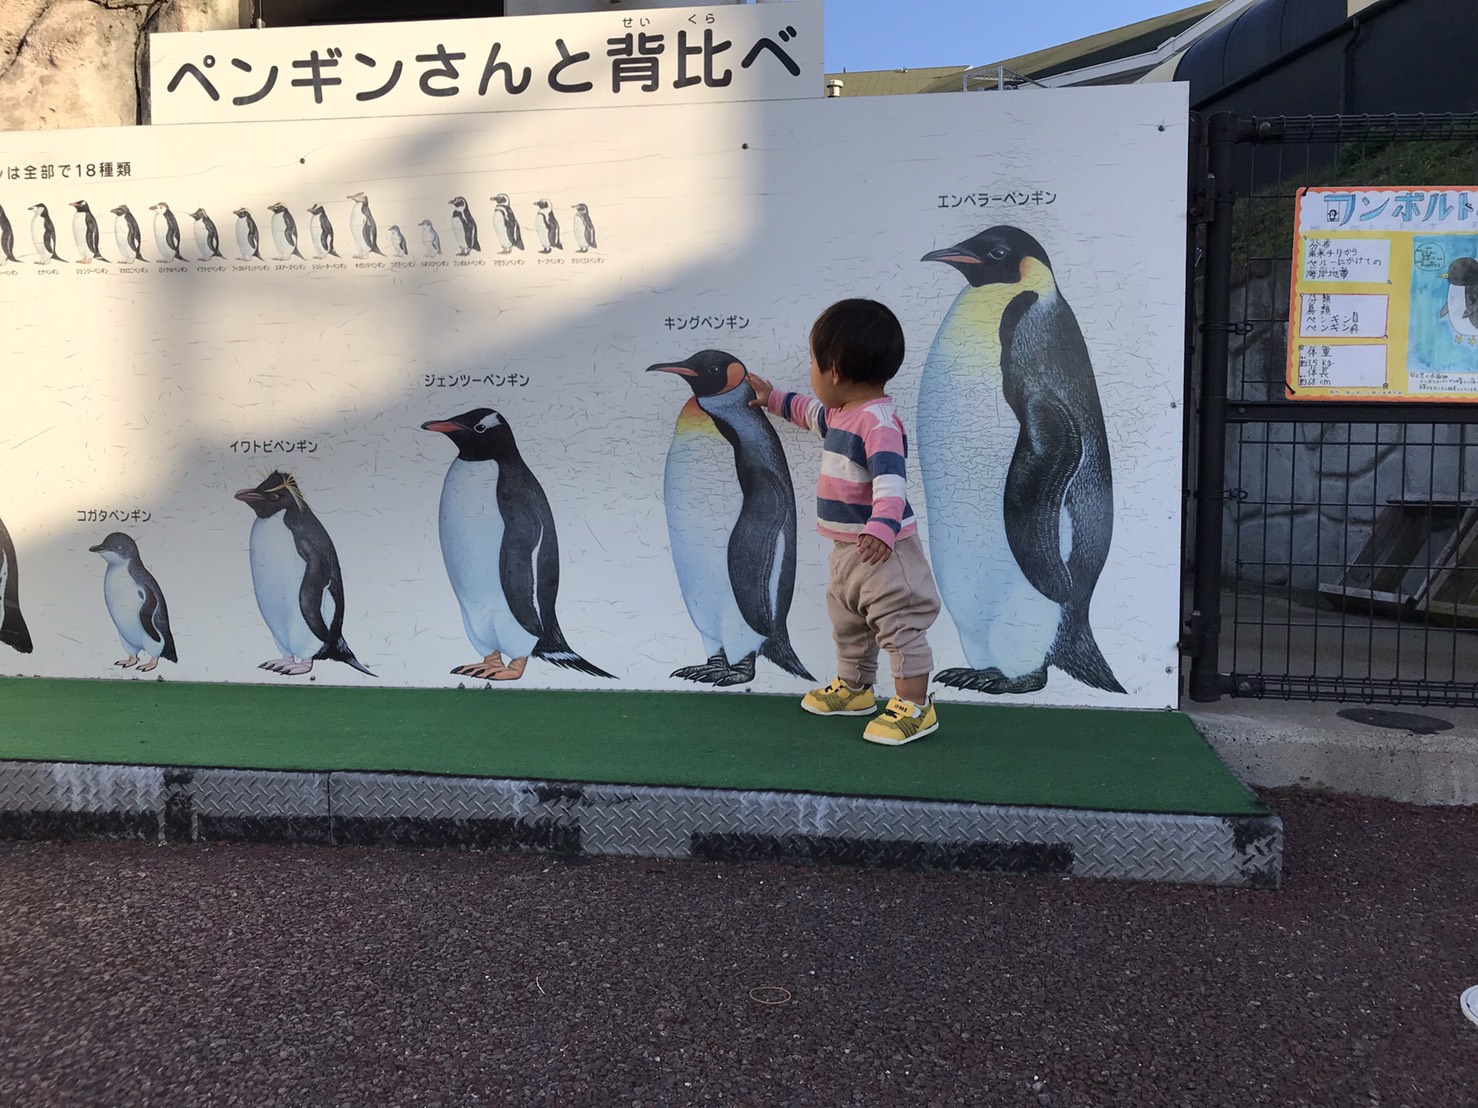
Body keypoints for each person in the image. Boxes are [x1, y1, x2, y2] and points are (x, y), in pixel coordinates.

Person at [748, 298, 942, 745]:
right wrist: (773, 398)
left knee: (899, 624)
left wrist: (882, 526)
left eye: (813, 363)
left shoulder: (878, 423)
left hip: (883, 551)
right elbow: (807, 412)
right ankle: (856, 689)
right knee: (849, 619)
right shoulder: (842, 414)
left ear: (833, 370)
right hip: (848, 550)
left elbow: (892, 479)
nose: (811, 374)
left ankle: (917, 706)